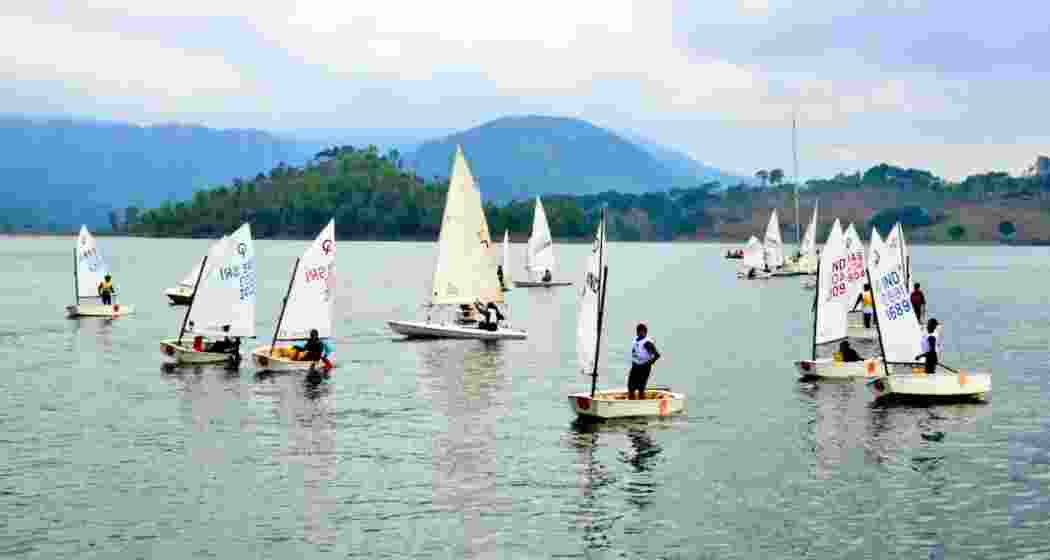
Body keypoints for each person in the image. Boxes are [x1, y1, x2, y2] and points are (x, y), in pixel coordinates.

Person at [627, 323, 660, 400]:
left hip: (644, 368)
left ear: (645, 332)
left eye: (641, 332)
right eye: (638, 331)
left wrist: (648, 364)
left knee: (640, 387)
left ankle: (641, 403)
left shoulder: (647, 343)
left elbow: (657, 355)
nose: (639, 333)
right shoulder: (636, 340)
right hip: (635, 366)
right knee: (630, 386)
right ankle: (631, 402)